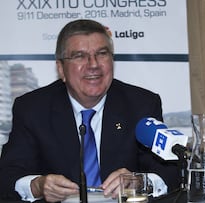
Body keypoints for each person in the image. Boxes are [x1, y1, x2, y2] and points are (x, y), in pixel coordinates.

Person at [0, 19, 180, 202]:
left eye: (102, 54)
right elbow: (7, 175)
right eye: (79, 56)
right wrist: (37, 185)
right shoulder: (33, 108)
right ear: (61, 68)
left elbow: (171, 172)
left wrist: (139, 182)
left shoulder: (141, 104)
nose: (93, 64)